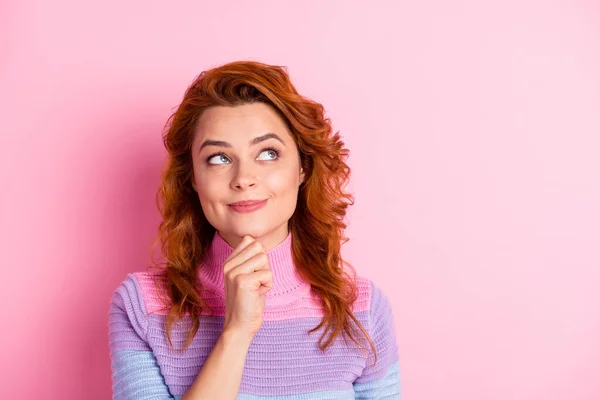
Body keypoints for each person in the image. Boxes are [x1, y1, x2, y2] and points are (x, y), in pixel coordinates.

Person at [108, 60, 401, 399]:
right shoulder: (142, 306)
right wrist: (236, 332)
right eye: (219, 158)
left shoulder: (362, 309)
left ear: (303, 167)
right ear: (192, 178)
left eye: (268, 153)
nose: (244, 178)